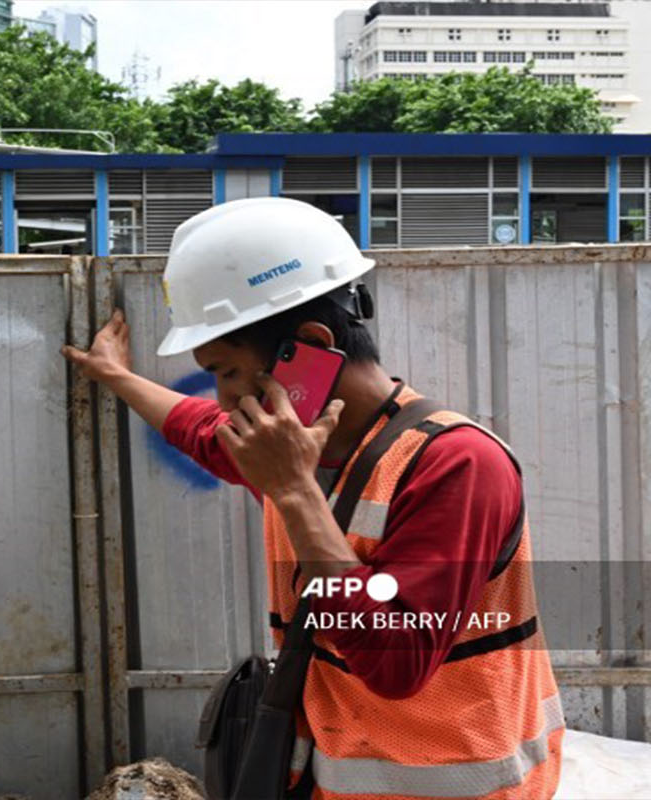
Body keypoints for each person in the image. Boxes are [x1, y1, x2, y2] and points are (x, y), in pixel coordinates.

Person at [61, 197, 562, 799]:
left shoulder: (457, 464)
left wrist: (296, 492)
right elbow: (196, 427)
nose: (222, 399)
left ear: (310, 343)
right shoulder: (293, 450)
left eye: (226, 372)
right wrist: (115, 376)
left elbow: (398, 663)